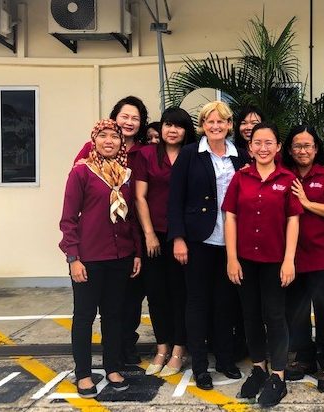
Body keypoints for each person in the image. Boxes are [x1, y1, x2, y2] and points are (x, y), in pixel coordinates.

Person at [167, 101, 250, 389]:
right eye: (209, 122)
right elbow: (175, 198)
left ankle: (225, 359)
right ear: (202, 125)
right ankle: (200, 365)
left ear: (229, 125)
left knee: (226, 303)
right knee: (198, 302)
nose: (215, 126)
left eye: (221, 122)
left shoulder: (240, 156)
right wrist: (178, 238)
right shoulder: (191, 154)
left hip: (231, 243)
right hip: (198, 239)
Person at [59, 119, 142, 398]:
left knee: (114, 316)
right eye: (103, 136)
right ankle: (83, 373)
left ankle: (113, 367)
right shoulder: (82, 172)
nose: (109, 141)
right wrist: (73, 257)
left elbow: (130, 219)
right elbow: (68, 220)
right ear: (94, 141)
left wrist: (136, 253)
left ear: (121, 142)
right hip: (89, 258)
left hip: (120, 257)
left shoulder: (125, 174)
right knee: (84, 317)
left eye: (114, 137)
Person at [222, 122, 303, 407]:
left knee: (275, 316)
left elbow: (294, 220)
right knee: (251, 316)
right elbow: (230, 217)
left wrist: (289, 260)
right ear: (249, 147)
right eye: (258, 142)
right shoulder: (241, 178)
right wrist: (231, 258)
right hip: (245, 260)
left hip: (274, 261)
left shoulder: (288, 178)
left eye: (269, 142)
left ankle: (278, 376)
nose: (263, 147)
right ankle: (258, 368)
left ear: (278, 147)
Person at [73, 96, 150, 365]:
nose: (128, 122)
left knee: (125, 303)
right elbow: (76, 202)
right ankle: (95, 364)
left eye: (135, 118)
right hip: (96, 245)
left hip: (129, 237)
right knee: (89, 310)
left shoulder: (140, 154)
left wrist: (140, 246)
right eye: (124, 117)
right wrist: (73, 255)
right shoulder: (87, 158)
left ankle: (122, 350)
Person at [281, 125, 324, 392]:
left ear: (316, 148)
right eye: (297, 146)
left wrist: (308, 203)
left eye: (308, 145)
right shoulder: (284, 175)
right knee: (295, 312)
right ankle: (304, 358)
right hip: (292, 257)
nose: (302, 150)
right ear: (289, 149)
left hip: (323, 257)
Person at [133, 108, 195, 377]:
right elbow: (140, 196)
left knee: (180, 294)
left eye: (179, 126)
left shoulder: (193, 154)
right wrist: (148, 234)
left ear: (186, 131)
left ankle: (180, 349)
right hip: (154, 236)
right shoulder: (147, 154)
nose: (173, 130)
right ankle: (162, 347)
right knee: (157, 295)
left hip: (184, 237)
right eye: (169, 124)